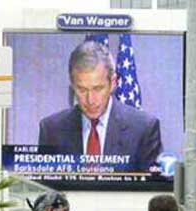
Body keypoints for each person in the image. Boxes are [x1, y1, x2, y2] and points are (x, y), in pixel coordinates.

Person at [39, 41, 162, 171]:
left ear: (113, 83)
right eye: (82, 89)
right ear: (73, 86)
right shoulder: (51, 130)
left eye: (98, 89)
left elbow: (151, 188)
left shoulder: (144, 129)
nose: (90, 100)